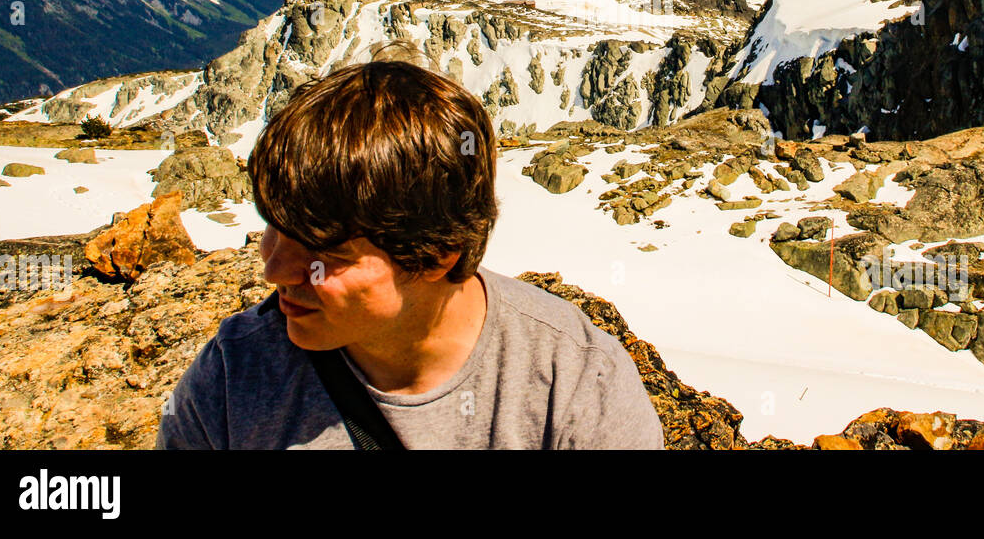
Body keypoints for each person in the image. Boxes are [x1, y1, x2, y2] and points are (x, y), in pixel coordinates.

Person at [156, 59, 664, 449]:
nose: (274, 268)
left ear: (436, 254)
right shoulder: (234, 373)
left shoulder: (575, 385)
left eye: (324, 251)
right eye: (273, 226)